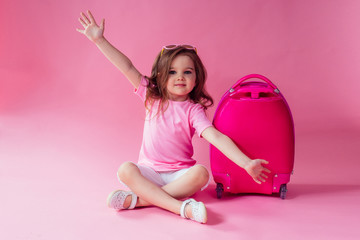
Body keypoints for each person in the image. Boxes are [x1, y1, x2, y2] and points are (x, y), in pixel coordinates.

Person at [76, 10, 271, 224]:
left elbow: (215, 137)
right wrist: (100, 40)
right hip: (149, 172)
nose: (180, 77)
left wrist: (246, 163)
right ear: (160, 75)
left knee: (201, 174)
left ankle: (140, 200)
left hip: (179, 175)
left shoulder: (193, 109)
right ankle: (181, 208)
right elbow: (127, 67)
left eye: (187, 72)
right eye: (172, 72)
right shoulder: (150, 95)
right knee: (125, 170)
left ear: (196, 79)